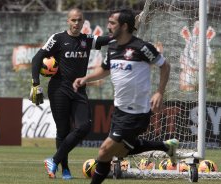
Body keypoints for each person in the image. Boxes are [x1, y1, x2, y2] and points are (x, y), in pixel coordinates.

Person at [73, 8, 179, 184]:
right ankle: (166, 146)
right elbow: (104, 70)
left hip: (136, 113)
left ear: (124, 26)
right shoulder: (113, 47)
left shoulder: (142, 48)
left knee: (104, 151)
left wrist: (159, 91)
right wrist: (86, 78)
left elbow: (165, 66)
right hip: (119, 110)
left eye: (112, 23)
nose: (108, 26)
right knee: (121, 151)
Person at [29, 8, 112, 180]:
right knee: (63, 130)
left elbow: (107, 39)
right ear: (68, 21)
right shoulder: (58, 38)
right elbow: (37, 58)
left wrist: (124, 32)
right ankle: (64, 169)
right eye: (73, 20)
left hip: (79, 90)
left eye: (79, 20)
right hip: (59, 89)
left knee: (85, 126)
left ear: (83, 22)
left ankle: (53, 160)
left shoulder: (87, 40)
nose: (76, 23)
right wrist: (35, 83)